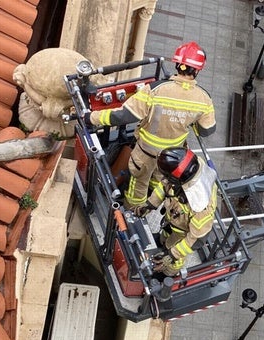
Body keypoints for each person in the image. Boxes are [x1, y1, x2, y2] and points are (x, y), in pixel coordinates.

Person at [87, 42, 216, 213]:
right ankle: (149, 206)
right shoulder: (204, 98)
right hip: (172, 155)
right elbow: (206, 130)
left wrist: (92, 117)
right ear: (198, 70)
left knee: (138, 182)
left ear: (177, 64)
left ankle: (132, 211)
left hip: (146, 152)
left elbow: (124, 115)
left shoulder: (156, 90)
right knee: (160, 179)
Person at [148, 147, 218, 277]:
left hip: (183, 236)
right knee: (164, 237)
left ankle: (168, 273)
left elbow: (195, 239)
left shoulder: (201, 207)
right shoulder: (184, 173)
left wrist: (172, 254)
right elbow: (164, 186)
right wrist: (150, 204)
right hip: (173, 223)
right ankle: (163, 241)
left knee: (174, 258)